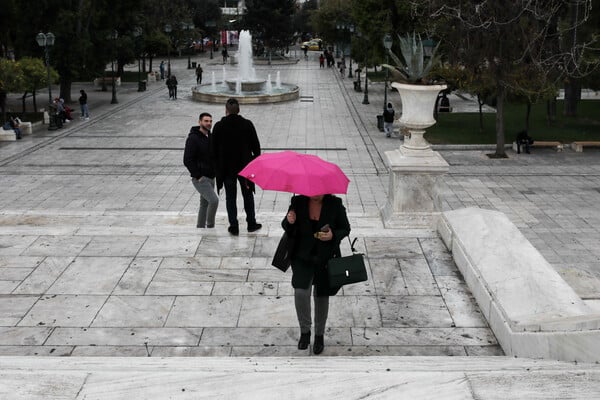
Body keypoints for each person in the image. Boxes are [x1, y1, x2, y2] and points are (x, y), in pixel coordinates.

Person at [282, 194, 351, 354]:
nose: (315, 194)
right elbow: (287, 226)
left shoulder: (335, 204)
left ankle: (319, 335)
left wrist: (333, 235)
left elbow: (345, 228)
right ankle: (305, 332)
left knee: (321, 296)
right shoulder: (297, 201)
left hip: (325, 258)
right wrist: (289, 221)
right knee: (300, 292)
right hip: (302, 256)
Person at [211, 98, 262, 236]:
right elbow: (256, 148)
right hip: (245, 169)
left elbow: (213, 150)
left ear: (226, 110)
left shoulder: (218, 126)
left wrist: (217, 167)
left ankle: (234, 226)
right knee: (248, 196)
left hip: (227, 170)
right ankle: (251, 223)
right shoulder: (247, 125)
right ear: (239, 110)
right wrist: (252, 162)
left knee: (230, 197)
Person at [183, 112, 219, 228]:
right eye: (206, 121)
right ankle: (210, 226)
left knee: (204, 204)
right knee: (213, 201)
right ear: (199, 122)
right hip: (201, 178)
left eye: (210, 121)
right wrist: (198, 176)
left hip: (211, 177)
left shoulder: (211, 136)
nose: (209, 123)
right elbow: (187, 159)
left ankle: (200, 226)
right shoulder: (193, 138)